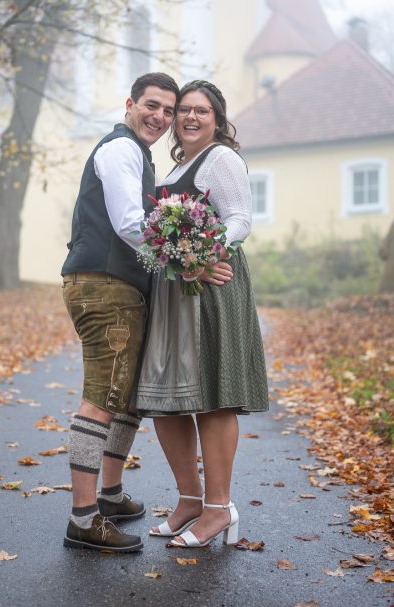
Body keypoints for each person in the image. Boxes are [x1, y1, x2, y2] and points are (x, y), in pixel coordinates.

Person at [60, 73, 233, 553]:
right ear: (130, 104)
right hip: (106, 288)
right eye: (151, 105)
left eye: (167, 109)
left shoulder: (142, 155)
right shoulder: (120, 150)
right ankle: (83, 517)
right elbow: (130, 222)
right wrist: (191, 263)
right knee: (100, 398)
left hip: (122, 288)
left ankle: (110, 495)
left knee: (127, 397)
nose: (160, 116)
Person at [134, 80, 269, 548]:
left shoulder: (222, 159)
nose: (190, 117)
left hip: (212, 283)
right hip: (174, 289)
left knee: (213, 397)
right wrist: (176, 259)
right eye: (184, 110)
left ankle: (218, 508)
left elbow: (240, 220)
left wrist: (202, 253)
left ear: (217, 118)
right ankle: (190, 498)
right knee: (165, 400)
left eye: (201, 111)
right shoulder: (178, 165)